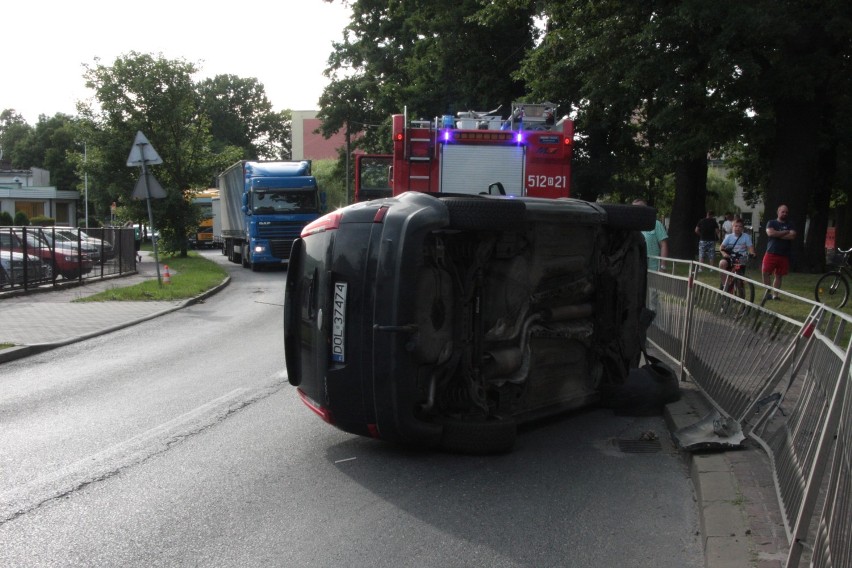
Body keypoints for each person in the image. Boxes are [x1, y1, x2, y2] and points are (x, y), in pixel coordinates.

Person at [762, 204, 796, 300]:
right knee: (765, 272)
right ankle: (767, 292)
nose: (785, 213)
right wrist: (785, 232)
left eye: (786, 212)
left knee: (779, 275)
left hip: (783, 254)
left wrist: (777, 234)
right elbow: (770, 233)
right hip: (771, 252)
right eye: (783, 211)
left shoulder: (790, 224)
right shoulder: (771, 223)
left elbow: (792, 236)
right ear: (778, 212)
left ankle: (775, 295)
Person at [632, 199, 669, 271]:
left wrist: (663, 266)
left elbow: (664, 245)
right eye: (633, 209)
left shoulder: (656, 224)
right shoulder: (631, 226)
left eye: (638, 208)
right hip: (635, 269)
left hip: (653, 269)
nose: (635, 211)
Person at [719, 218, 755, 289]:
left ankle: (740, 293)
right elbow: (721, 247)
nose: (737, 228)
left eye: (740, 226)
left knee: (739, 280)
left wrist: (752, 253)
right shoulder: (729, 237)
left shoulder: (746, 237)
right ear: (732, 227)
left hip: (741, 258)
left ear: (742, 228)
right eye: (736, 226)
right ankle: (725, 285)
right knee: (722, 263)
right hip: (730, 257)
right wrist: (724, 254)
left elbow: (750, 247)